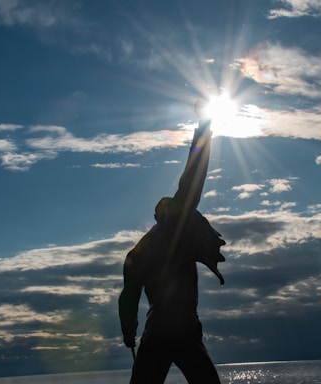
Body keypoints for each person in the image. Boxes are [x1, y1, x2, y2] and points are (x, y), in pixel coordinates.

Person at [118, 102, 225, 384]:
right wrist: (202, 127)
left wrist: (129, 331)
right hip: (183, 328)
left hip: (155, 332)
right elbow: (193, 176)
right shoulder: (176, 229)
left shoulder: (137, 253)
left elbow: (129, 296)